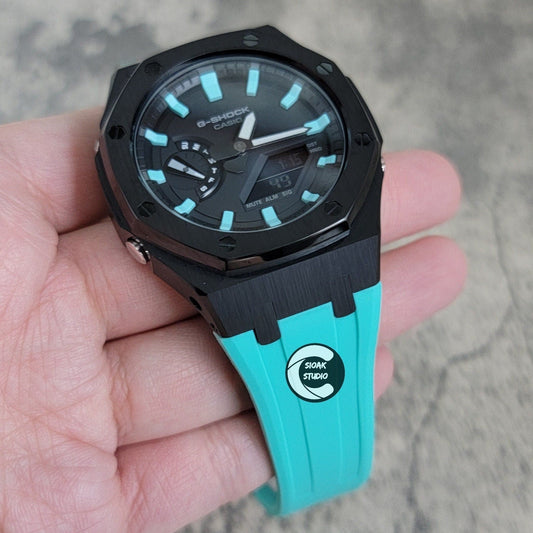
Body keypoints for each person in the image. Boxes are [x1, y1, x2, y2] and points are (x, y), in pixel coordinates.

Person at [0, 108, 467, 533]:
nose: (241, 147)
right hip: (241, 289)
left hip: (338, 251)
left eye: (252, 141)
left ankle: (323, 467)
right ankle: (318, 470)